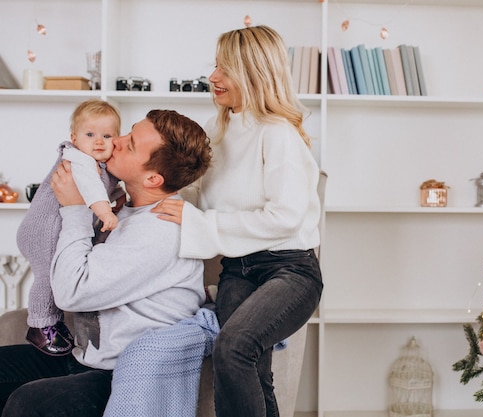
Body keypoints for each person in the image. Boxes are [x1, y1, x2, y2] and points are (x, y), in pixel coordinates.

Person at [152, 25, 324, 417]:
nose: (213, 77)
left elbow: (285, 217)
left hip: (290, 270)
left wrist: (201, 224)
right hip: (238, 269)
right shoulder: (219, 129)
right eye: (215, 66)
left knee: (233, 347)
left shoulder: (278, 135)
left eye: (225, 68)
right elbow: (196, 193)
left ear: (255, 73)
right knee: (252, 369)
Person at [0, 109, 212, 417]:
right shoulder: (125, 209)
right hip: (85, 356)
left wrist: (74, 209)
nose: (115, 140)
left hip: (121, 373)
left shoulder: (161, 229)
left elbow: (72, 292)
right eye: (127, 132)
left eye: (130, 143)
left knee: (28, 403)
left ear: (153, 178)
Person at [16, 99, 126, 356]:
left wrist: (118, 194)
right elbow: (90, 187)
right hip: (43, 230)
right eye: (90, 135)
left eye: (107, 135)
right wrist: (104, 211)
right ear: (74, 138)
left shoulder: (98, 163)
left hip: (55, 227)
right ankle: (40, 326)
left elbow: (103, 186)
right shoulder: (78, 159)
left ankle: (52, 322)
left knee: (52, 275)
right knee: (47, 276)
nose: (98, 142)